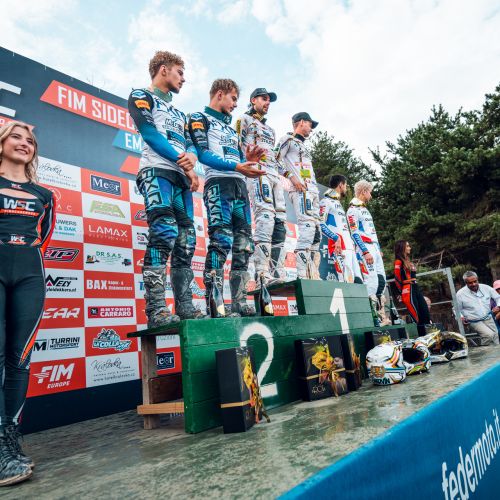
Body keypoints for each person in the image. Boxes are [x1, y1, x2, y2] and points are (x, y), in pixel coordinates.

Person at [128, 50, 204, 327]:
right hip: (156, 172)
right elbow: (150, 135)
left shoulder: (180, 113)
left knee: (186, 241)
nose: (183, 79)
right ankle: (157, 310)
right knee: (164, 232)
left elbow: (192, 144)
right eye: (179, 72)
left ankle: (185, 307)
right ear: (163, 69)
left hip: (181, 178)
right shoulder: (141, 95)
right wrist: (184, 162)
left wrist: (191, 158)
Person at [0, 121, 56, 485]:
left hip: (30, 274)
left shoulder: (45, 194)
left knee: (20, 359)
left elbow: (44, 236)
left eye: (30, 140)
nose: (24, 143)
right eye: (16, 137)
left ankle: (9, 440)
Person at [188, 79, 264, 316]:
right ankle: (215, 304)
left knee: (244, 246)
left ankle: (239, 302)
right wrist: (237, 165)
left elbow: (240, 161)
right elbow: (203, 154)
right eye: (233, 99)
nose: (235, 104)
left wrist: (248, 159)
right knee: (221, 242)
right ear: (219, 94)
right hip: (218, 185)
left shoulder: (232, 130)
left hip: (240, 187)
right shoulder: (199, 118)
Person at [235, 88, 287, 285]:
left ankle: (276, 271)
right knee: (265, 218)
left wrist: (288, 175)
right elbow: (237, 145)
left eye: (269, 100)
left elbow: (275, 157)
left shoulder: (271, 130)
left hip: (274, 176)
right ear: (253, 100)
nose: (267, 103)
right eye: (264, 99)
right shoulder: (243, 119)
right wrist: (243, 165)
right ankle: (262, 273)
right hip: (257, 172)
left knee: (280, 222)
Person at [275, 112, 321, 279]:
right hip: (300, 191)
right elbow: (274, 159)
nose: (311, 129)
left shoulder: (304, 146)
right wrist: (291, 177)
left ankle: (312, 273)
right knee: (307, 229)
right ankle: (302, 274)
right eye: (310, 124)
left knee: (316, 233)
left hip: (313, 191)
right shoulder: (287, 139)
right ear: (301, 122)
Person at [347, 180, 386, 314]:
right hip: (365, 248)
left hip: (374, 247)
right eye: (370, 192)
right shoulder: (352, 210)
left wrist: (378, 248)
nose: (371, 195)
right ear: (364, 192)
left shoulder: (365, 209)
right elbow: (354, 233)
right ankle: (371, 315)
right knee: (372, 282)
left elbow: (372, 231)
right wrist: (364, 251)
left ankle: (380, 314)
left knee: (382, 281)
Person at [318, 174, 363, 283]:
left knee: (358, 281)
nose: (346, 188)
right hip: (340, 246)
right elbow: (320, 223)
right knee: (347, 280)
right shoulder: (326, 201)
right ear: (341, 185)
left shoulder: (338, 202)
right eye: (345, 185)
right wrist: (335, 238)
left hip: (349, 247)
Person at [393, 240, 430, 336]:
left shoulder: (408, 260)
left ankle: (429, 337)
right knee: (417, 316)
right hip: (408, 290)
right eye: (407, 246)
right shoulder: (398, 261)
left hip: (416, 287)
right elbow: (397, 278)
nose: (410, 248)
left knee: (425, 312)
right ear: (402, 248)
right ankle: (422, 338)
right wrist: (400, 293)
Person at [456, 271, 500, 345]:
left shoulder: (486, 288)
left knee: (495, 336)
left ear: (477, 279)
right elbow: (456, 309)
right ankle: (485, 352)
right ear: (466, 283)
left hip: (488, 317)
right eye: (470, 283)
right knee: (488, 335)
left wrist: (498, 306)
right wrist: (461, 317)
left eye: (475, 281)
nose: (473, 284)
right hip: (474, 320)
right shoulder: (460, 294)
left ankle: (496, 352)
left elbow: (498, 297)